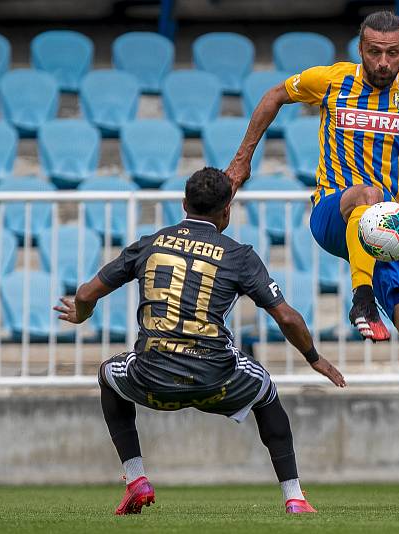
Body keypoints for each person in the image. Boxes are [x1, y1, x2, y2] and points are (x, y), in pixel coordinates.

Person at [227, 10, 399, 504]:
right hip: (335, 211)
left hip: (390, 231)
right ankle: (361, 299)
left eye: (392, 52)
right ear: (360, 48)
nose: (382, 60)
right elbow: (273, 96)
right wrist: (243, 158)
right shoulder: (330, 80)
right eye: (373, 50)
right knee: (367, 192)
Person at [54, 167, 346, 515]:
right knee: (265, 390)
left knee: (108, 374)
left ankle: (136, 480)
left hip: (152, 380)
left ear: (183, 204)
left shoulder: (151, 244)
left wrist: (82, 313)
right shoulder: (239, 255)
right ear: (227, 211)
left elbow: (86, 293)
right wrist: (314, 358)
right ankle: (294, 497)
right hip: (216, 381)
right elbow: (287, 317)